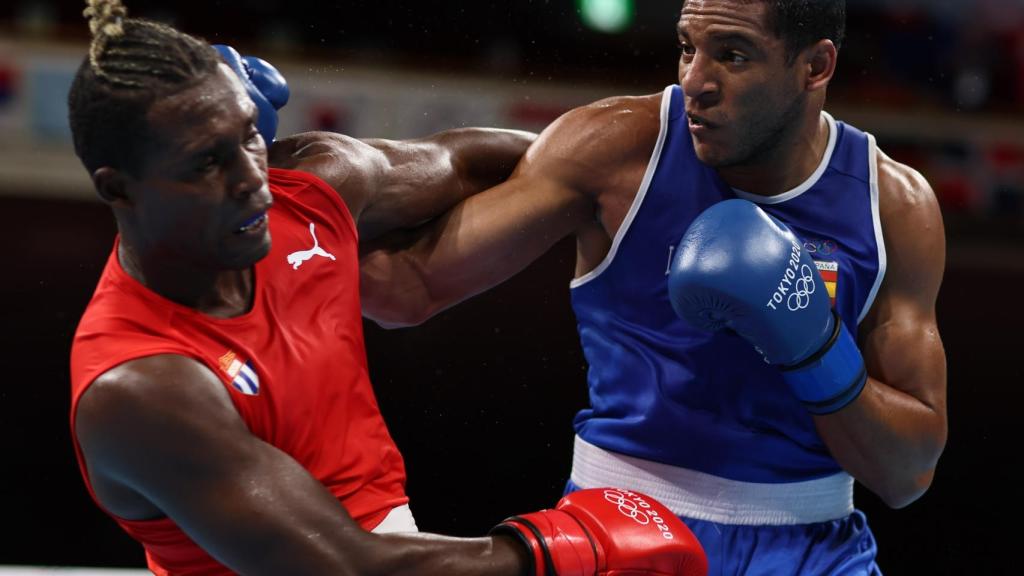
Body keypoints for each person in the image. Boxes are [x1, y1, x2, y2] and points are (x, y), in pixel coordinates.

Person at [67, 1, 709, 574]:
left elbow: (469, 162)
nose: (252, 179)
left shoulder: (305, 194)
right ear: (117, 189)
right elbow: (340, 565)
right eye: (208, 161)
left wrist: (640, 188)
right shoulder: (143, 385)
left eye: (247, 139)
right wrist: (557, 552)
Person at [360, 0, 948, 573]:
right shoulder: (619, 149)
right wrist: (281, 237)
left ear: (815, 66)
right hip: (622, 529)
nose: (696, 81)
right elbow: (408, 288)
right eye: (687, 48)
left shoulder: (891, 206)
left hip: (818, 550)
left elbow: (907, 476)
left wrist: (814, 345)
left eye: (733, 56)